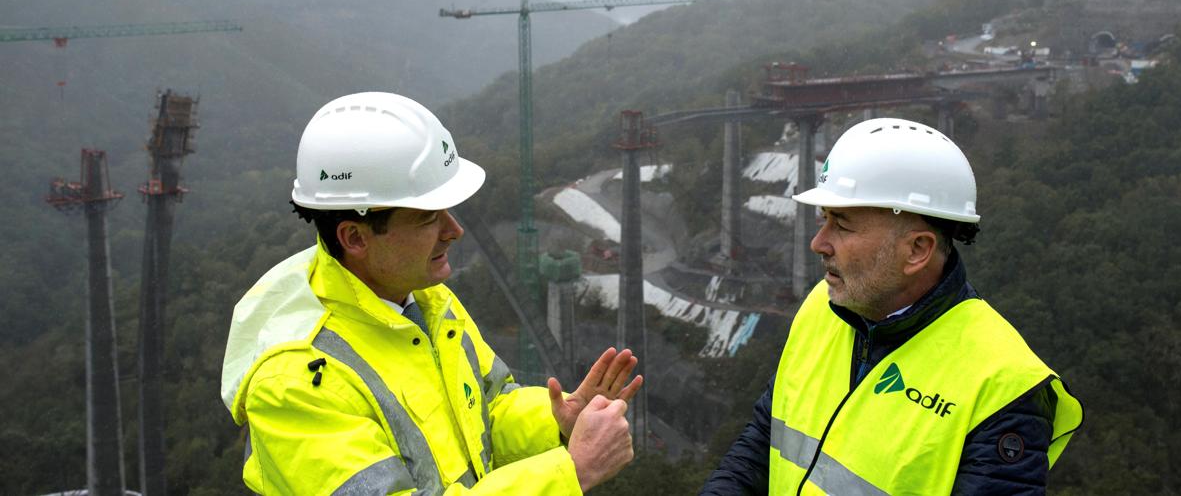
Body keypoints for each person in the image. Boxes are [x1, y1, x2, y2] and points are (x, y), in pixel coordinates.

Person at [221, 92, 641, 494]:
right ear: (355, 237)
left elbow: (487, 408)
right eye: (427, 219)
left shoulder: (423, 298)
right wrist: (571, 473)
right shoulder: (299, 381)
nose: (454, 231)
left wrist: (556, 422)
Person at [701, 117, 1083, 495]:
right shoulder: (823, 305)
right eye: (824, 220)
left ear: (917, 250)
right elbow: (762, 443)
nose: (819, 242)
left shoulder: (1002, 385)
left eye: (843, 225)